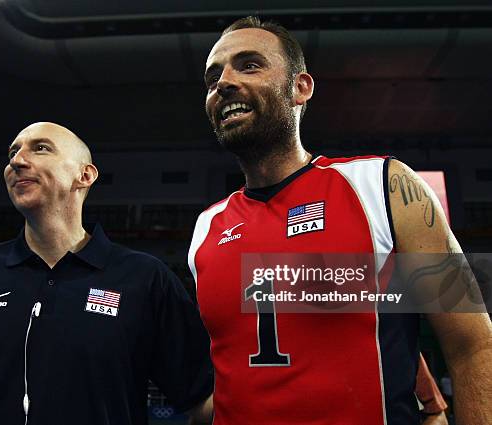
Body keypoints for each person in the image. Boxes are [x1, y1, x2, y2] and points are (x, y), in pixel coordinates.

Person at [188, 16, 492, 425]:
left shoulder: (382, 186)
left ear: (300, 88)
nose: (222, 82)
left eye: (249, 64)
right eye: (212, 77)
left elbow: (472, 346)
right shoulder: (207, 228)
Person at [0, 122, 213, 425]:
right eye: (12, 152)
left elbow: (203, 403)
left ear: (85, 175)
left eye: (40, 148)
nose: (16, 160)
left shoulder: (146, 278)